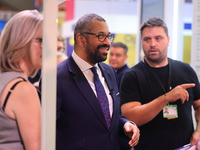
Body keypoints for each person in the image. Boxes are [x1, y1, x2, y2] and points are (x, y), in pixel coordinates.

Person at [56, 13, 140, 150]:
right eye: (101, 36)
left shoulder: (109, 71)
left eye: (109, 36)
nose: (107, 42)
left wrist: (125, 124)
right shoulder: (58, 77)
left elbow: (110, 116)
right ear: (81, 39)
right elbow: (46, 130)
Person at [120, 17, 200, 150]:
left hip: (186, 147)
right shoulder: (132, 76)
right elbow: (131, 117)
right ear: (142, 42)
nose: (153, 44)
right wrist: (167, 98)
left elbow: (198, 106)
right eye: (147, 39)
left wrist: (198, 131)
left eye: (158, 38)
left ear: (168, 40)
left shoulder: (186, 70)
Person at [0, 10, 43, 150]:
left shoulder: (6, 80)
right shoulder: (22, 89)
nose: (46, 47)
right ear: (22, 40)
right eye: (40, 40)